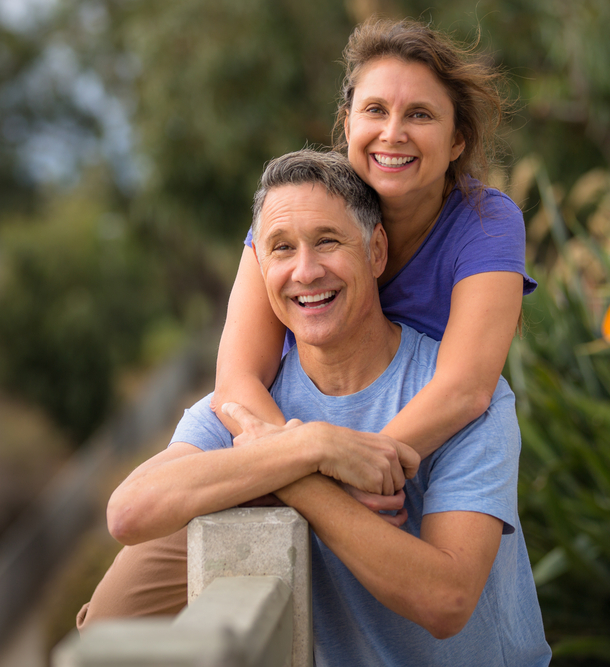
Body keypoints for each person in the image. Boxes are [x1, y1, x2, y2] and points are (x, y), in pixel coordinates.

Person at [77, 15, 537, 625]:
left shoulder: (484, 222)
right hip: (298, 424)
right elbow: (237, 380)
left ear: (457, 141)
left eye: (421, 115)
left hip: (399, 425)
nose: (393, 133)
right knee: (108, 620)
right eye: (375, 110)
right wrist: (313, 457)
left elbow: (465, 388)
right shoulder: (300, 207)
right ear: (347, 124)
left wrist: (357, 473)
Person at [101, 149, 551, 666]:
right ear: (260, 267)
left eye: (328, 242)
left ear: (376, 252)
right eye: (282, 249)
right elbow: (129, 511)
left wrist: (292, 473)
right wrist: (312, 445)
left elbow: (446, 601)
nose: (306, 271)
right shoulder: (247, 407)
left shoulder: (462, 400)